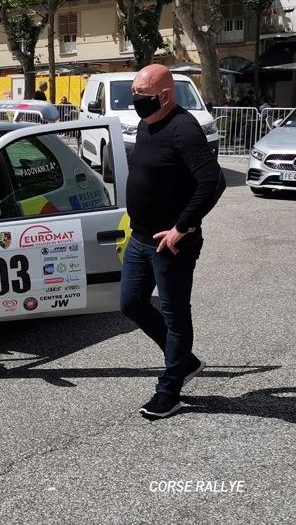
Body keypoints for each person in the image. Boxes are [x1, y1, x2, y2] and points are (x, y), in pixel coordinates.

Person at [119, 64, 225, 419]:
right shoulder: (147, 124)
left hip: (172, 244)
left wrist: (183, 225)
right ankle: (185, 362)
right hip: (140, 238)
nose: (136, 100)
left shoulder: (184, 129)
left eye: (143, 95)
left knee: (175, 314)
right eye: (134, 93)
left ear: (165, 95)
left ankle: (169, 390)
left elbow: (212, 181)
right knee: (131, 303)